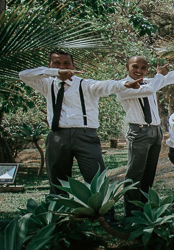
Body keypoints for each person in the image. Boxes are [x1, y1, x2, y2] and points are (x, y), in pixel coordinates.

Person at [18, 50, 142, 196]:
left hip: (86, 136)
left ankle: (105, 218)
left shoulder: (86, 85)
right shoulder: (47, 84)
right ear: (50, 65)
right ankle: (60, 216)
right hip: (57, 136)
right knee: (58, 181)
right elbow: (23, 75)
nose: (62, 67)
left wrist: (125, 84)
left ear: (73, 65)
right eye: (57, 63)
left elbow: (107, 85)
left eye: (66, 63)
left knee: (97, 179)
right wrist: (54, 72)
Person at [119, 54, 174, 212]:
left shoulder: (151, 82)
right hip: (139, 131)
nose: (139, 70)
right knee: (135, 173)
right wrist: (159, 75)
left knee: (149, 173)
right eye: (135, 66)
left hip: (155, 130)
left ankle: (143, 208)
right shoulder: (123, 86)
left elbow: (171, 77)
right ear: (127, 67)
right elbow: (149, 90)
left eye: (143, 68)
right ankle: (130, 212)